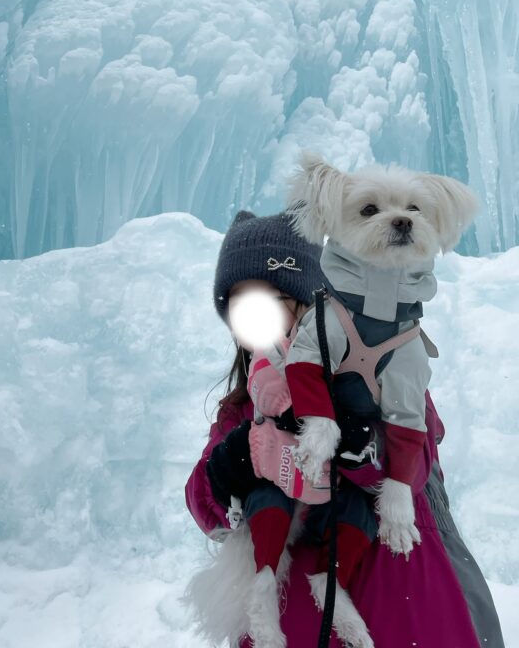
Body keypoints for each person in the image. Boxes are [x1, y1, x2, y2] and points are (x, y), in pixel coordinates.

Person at [185, 209, 505, 648]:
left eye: (269, 302)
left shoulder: (378, 373)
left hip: (397, 606)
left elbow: (415, 460)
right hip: (290, 622)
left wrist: (358, 443)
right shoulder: (245, 408)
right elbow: (204, 503)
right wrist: (227, 469)